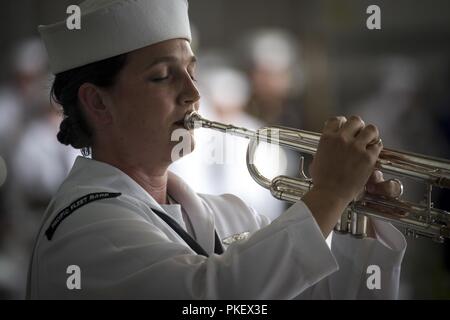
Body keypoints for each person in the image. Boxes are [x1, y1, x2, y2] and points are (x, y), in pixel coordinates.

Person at [27, 0, 406, 299]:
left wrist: (358, 222)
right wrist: (329, 193)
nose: (193, 93)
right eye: (162, 76)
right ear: (97, 103)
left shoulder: (229, 215)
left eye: (193, 71)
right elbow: (211, 296)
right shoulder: (82, 228)